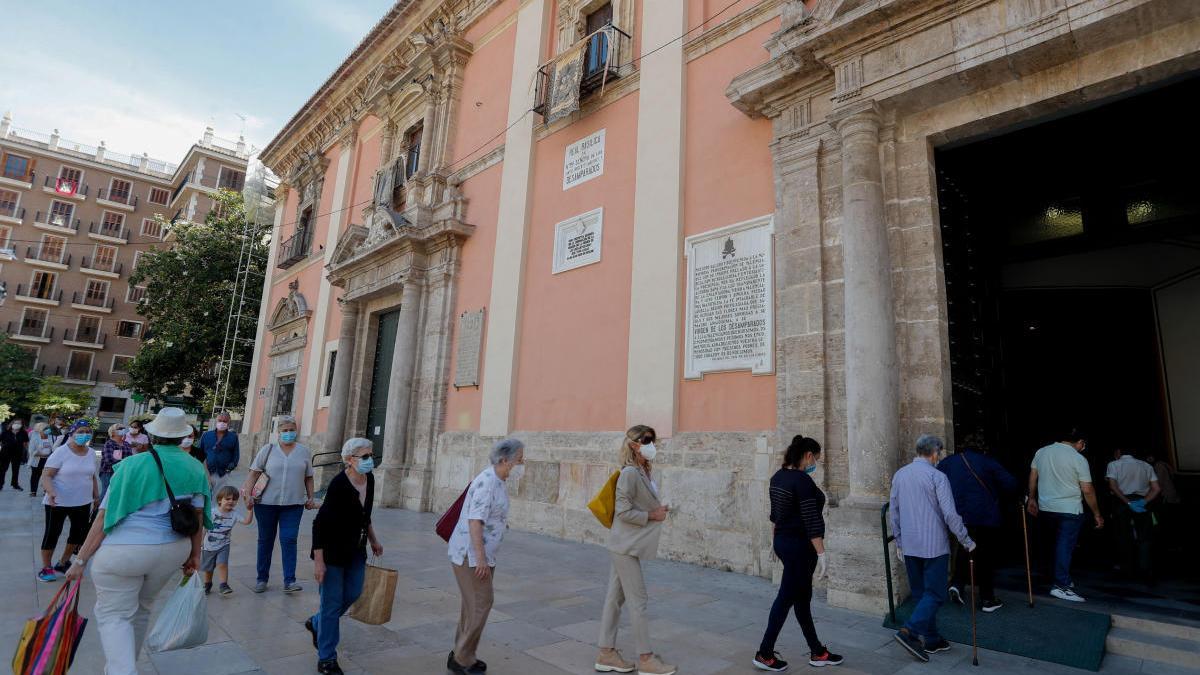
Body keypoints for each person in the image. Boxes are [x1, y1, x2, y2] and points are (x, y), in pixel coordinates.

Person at [64, 407, 211, 675]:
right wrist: (195, 554)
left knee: (114, 614)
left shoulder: (132, 465)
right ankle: (122, 666)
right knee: (142, 609)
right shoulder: (195, 467)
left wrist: (81, 559)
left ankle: (123, 671)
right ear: (182, 437)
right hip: (172, 550)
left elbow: (103, 518)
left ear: (151, 435)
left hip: (125, 551)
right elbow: (199, 516)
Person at [752, 435, 844, 672]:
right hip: (800, 548)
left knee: (802, 599)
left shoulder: (778, 477)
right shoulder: (802, 481)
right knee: (786, 598)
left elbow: (776, 515)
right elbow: (811, 520)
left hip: (785, 542)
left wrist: (775, 541)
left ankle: (817, 651)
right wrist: (821, 553)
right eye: (816, 459)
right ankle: (764, 652)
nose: (816, 464)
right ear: (808, 456)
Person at [595, 426, 676, 675]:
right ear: (634, 445)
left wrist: (658, 510)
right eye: (647, 440)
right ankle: (646, 659)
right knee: (638, 600)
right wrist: (653, 514)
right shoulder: (630, 473)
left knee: (614, 599)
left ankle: (606, 653)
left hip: (624, 544)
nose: (653, 444)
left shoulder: (642, 471)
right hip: (625, 546)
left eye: (653, 440)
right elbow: (623, 511)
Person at [890, 434, 975, 663]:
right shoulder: (937, 476)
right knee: (936, 594)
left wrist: (899, 540)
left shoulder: (900, 475)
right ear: (935, 453)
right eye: (940, 453)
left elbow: (894, 511)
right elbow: (950, 515)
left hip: (910, 544)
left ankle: (931, 637)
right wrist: (966, 540)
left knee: (921, 594)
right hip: (934, 544)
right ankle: (909, 632)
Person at [305, 438, 384, 675]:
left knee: (353, 593)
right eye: (365, 456)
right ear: (350, 460)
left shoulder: (369, 479)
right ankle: (327, 658)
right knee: (331, 605)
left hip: (356, 550)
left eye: (371, 455)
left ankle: (317, 623)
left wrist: (373, 539)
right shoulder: (339, 485)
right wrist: (319, 562)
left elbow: (364, 514)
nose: (370, 460)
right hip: (332, 553)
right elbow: (319, 524)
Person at [446, 438, 524, 675]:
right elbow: (475, 521)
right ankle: (462, 658)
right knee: (482, 602)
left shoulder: (499, 481)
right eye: (519, 460)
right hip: (470, 555)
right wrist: (479, 558)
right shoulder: (487, 482)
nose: (522, 464)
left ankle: (460, 653)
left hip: (483, 555)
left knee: (472, 605)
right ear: (504, 460)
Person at [938, 433, 1017, 612]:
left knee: (965, 547)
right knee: (985, 557)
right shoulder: (988, 462)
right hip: (984, 516)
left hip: (956, 515)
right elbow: (1010, 484)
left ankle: (957, 584)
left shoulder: (948, 462)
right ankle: (987, 599)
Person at [241, 415, 316, 593]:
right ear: (278, 432)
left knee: (289, 539)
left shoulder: (304, 451)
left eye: (291, 430)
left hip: (293, 504)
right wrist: (247, 496)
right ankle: (262, 579)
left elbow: (309, 477)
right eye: (285, 431)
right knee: (265, 540)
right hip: (266, 504)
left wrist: (311, 497)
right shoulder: (268, 450)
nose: (289, 433)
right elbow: (253, 473)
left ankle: (290, 580)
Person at [1027, 428, 1103, 602]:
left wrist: (1031, 498)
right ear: (1080, 442)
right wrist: (1097, 513)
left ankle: (1058, 578)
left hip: (1046, 507)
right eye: (1083, 445)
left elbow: (1033, 476)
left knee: (1052, 544)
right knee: (1064, 547)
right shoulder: (1078, 458)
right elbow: (1087, 489)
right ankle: (1061, 585)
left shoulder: (1042, 452)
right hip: (1070, 508)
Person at [37, 420, 100, 582]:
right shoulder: (61, 452)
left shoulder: (91, 453)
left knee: (78, 535)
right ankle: (46, 567)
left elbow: (92, 476)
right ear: (72, 433)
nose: (84, 434)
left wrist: (96, 496)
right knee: (52, 534)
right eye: (80, 431)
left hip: (82, 502)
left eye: (87, 431)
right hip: (58, 502)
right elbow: (46, 475)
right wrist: (51, 492)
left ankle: (63, 562)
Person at [1105, 447, 1160, 581]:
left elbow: (1112, 486)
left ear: (1119, 452)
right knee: (1144, 538)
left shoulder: (1113, 464)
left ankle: (1126, 570)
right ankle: (1145, 570)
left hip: (1121, 503)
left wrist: (1127, 502)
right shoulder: (1146, 465)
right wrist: (1143, 501)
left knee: (1123, 537)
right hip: (1142, 502)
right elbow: (1157, 489)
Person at [203, 485, 254, 595]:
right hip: (208, 546)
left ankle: (223, 585)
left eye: (234, 499)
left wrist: (249, 510)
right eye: (228, 499)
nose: (231, 501)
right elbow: (204, 528)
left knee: (222, 564)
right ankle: (207, 584)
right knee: (208, 568)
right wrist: (199, 543)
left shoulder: (234, 514)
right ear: (220, 500)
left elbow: (246, 522)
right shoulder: (212, 513)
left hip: (224, 545)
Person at [202, 411, 240, 491]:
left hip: (223, 474)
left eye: (224, 421)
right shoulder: (206, 435)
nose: (222, 423)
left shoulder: (233, 437)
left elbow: (236, 454)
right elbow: (199, 452)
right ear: (216, 421)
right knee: (205, 497)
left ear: (228, 422)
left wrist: (232, 465)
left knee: (220, 498)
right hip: (206, 472)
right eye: (220, 420)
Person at [100, 423, 131, 501]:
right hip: (108, 472)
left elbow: (130, 459)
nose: (123, 430)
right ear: (113, 432)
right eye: (120, 428)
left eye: (123, 428)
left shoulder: (126, 444)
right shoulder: (109, 444)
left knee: (118, 494)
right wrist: (125, 463)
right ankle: (98, 511)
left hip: (123, 472)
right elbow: (109, 460)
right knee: (106, 493)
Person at [1, 417, 29, 490]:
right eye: (15, 423)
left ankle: (15, 484)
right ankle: (0, 484)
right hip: (5, 453)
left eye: (19, 423)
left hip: (17, 453)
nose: (17, 424)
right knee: (3, 469)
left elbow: (26, 443)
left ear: (22, 425)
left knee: (16, 469)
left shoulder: (23, 433)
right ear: (12, 424)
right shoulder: (6, 432)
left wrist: (25, 453)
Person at [27, 422, 54, 497]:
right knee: (35, 475)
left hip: (48, 460)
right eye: (45, 429)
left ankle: (46, 490)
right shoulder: (35, 438)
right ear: (40, 429)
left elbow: (54, 447)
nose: (48, 430)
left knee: (47, 476)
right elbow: (31, 451)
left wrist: (50, 455)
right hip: (37, 460)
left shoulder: (51, 437)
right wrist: (40, 454)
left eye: (48, 428)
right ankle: (33, 491)